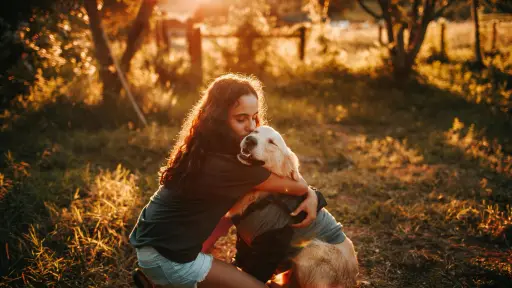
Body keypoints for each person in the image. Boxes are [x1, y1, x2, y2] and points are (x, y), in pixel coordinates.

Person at [129, 74, 319, 288]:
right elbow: (297, 185)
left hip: (151, 245)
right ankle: (166, 282)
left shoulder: (204, 148)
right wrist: (312, 195)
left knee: (232, 211)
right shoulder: (233, 167)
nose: (250, 127)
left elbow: (226, 214)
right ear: (219, 120)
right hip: (168, 259)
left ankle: (161, 281)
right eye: (240, 119)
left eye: (254, 117)